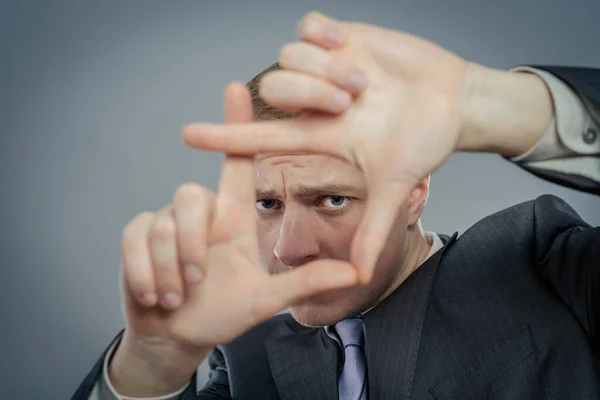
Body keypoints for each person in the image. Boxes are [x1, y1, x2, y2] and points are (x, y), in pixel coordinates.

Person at [74, 11, 599, 400]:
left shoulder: (540, 259)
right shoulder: (245, 359)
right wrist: (152, 361)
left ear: (415, 191)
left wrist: (501, 110)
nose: (289, 248)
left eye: (331, 199)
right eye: (266, 202)